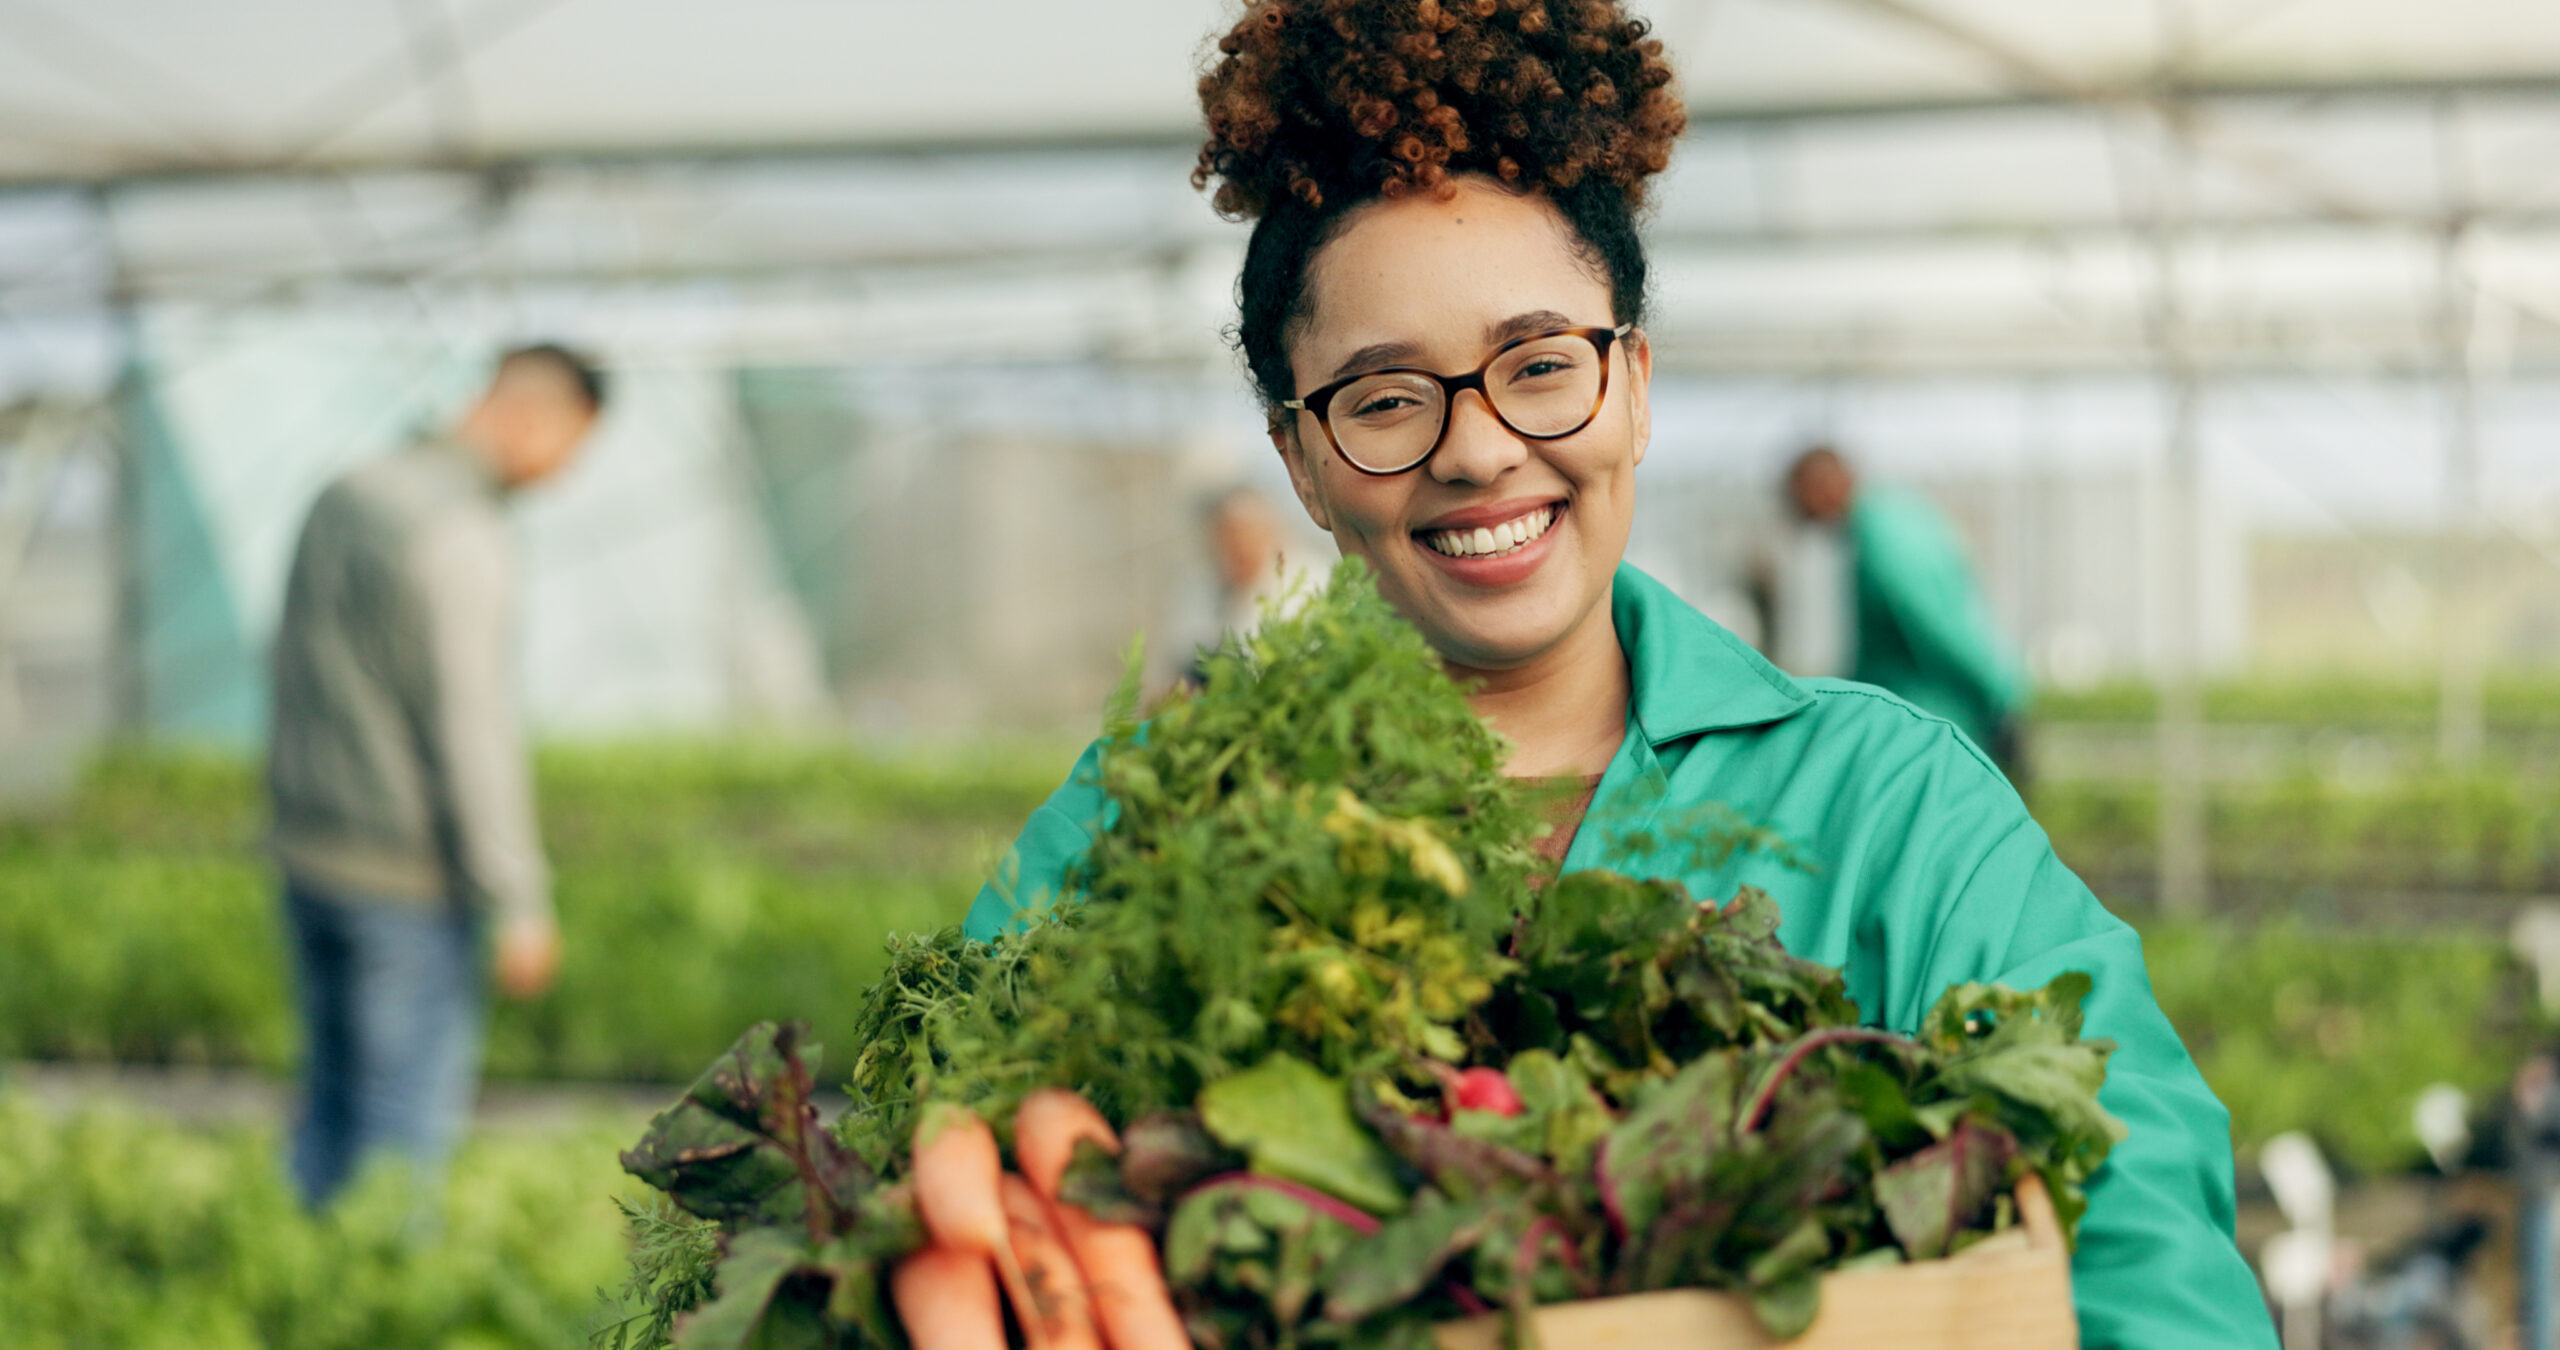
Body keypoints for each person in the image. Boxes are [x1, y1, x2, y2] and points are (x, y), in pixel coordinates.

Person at [964, 3, 2273, 1346]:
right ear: (1298, 459)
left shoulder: (1893, 812)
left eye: (1540, 366)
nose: (1475, 453)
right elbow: (951, 1176)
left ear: (1634, 386)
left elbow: (2148, 1262)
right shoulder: (1144, 823)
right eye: (1385, 398)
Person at [266, 342, 606, 1211]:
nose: (561, 476)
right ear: (538, 415)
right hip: (405, 885)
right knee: (399, 1146)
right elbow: (471, 730)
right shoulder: (460, 536)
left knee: (329, 1117)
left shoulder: (343, 496)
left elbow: (291, 674)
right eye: (571, 449)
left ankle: (299, 1303)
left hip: (308, 858)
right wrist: (519, 898)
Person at [1786, 444, 2031, 783]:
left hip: (1933, 721)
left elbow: (1941, 627)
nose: (1794, 509)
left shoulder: (1884, 538)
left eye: (1797, 495)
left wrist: (2000, 700)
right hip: (1920, 720)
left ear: (1821, 486)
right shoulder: (1890, 517)